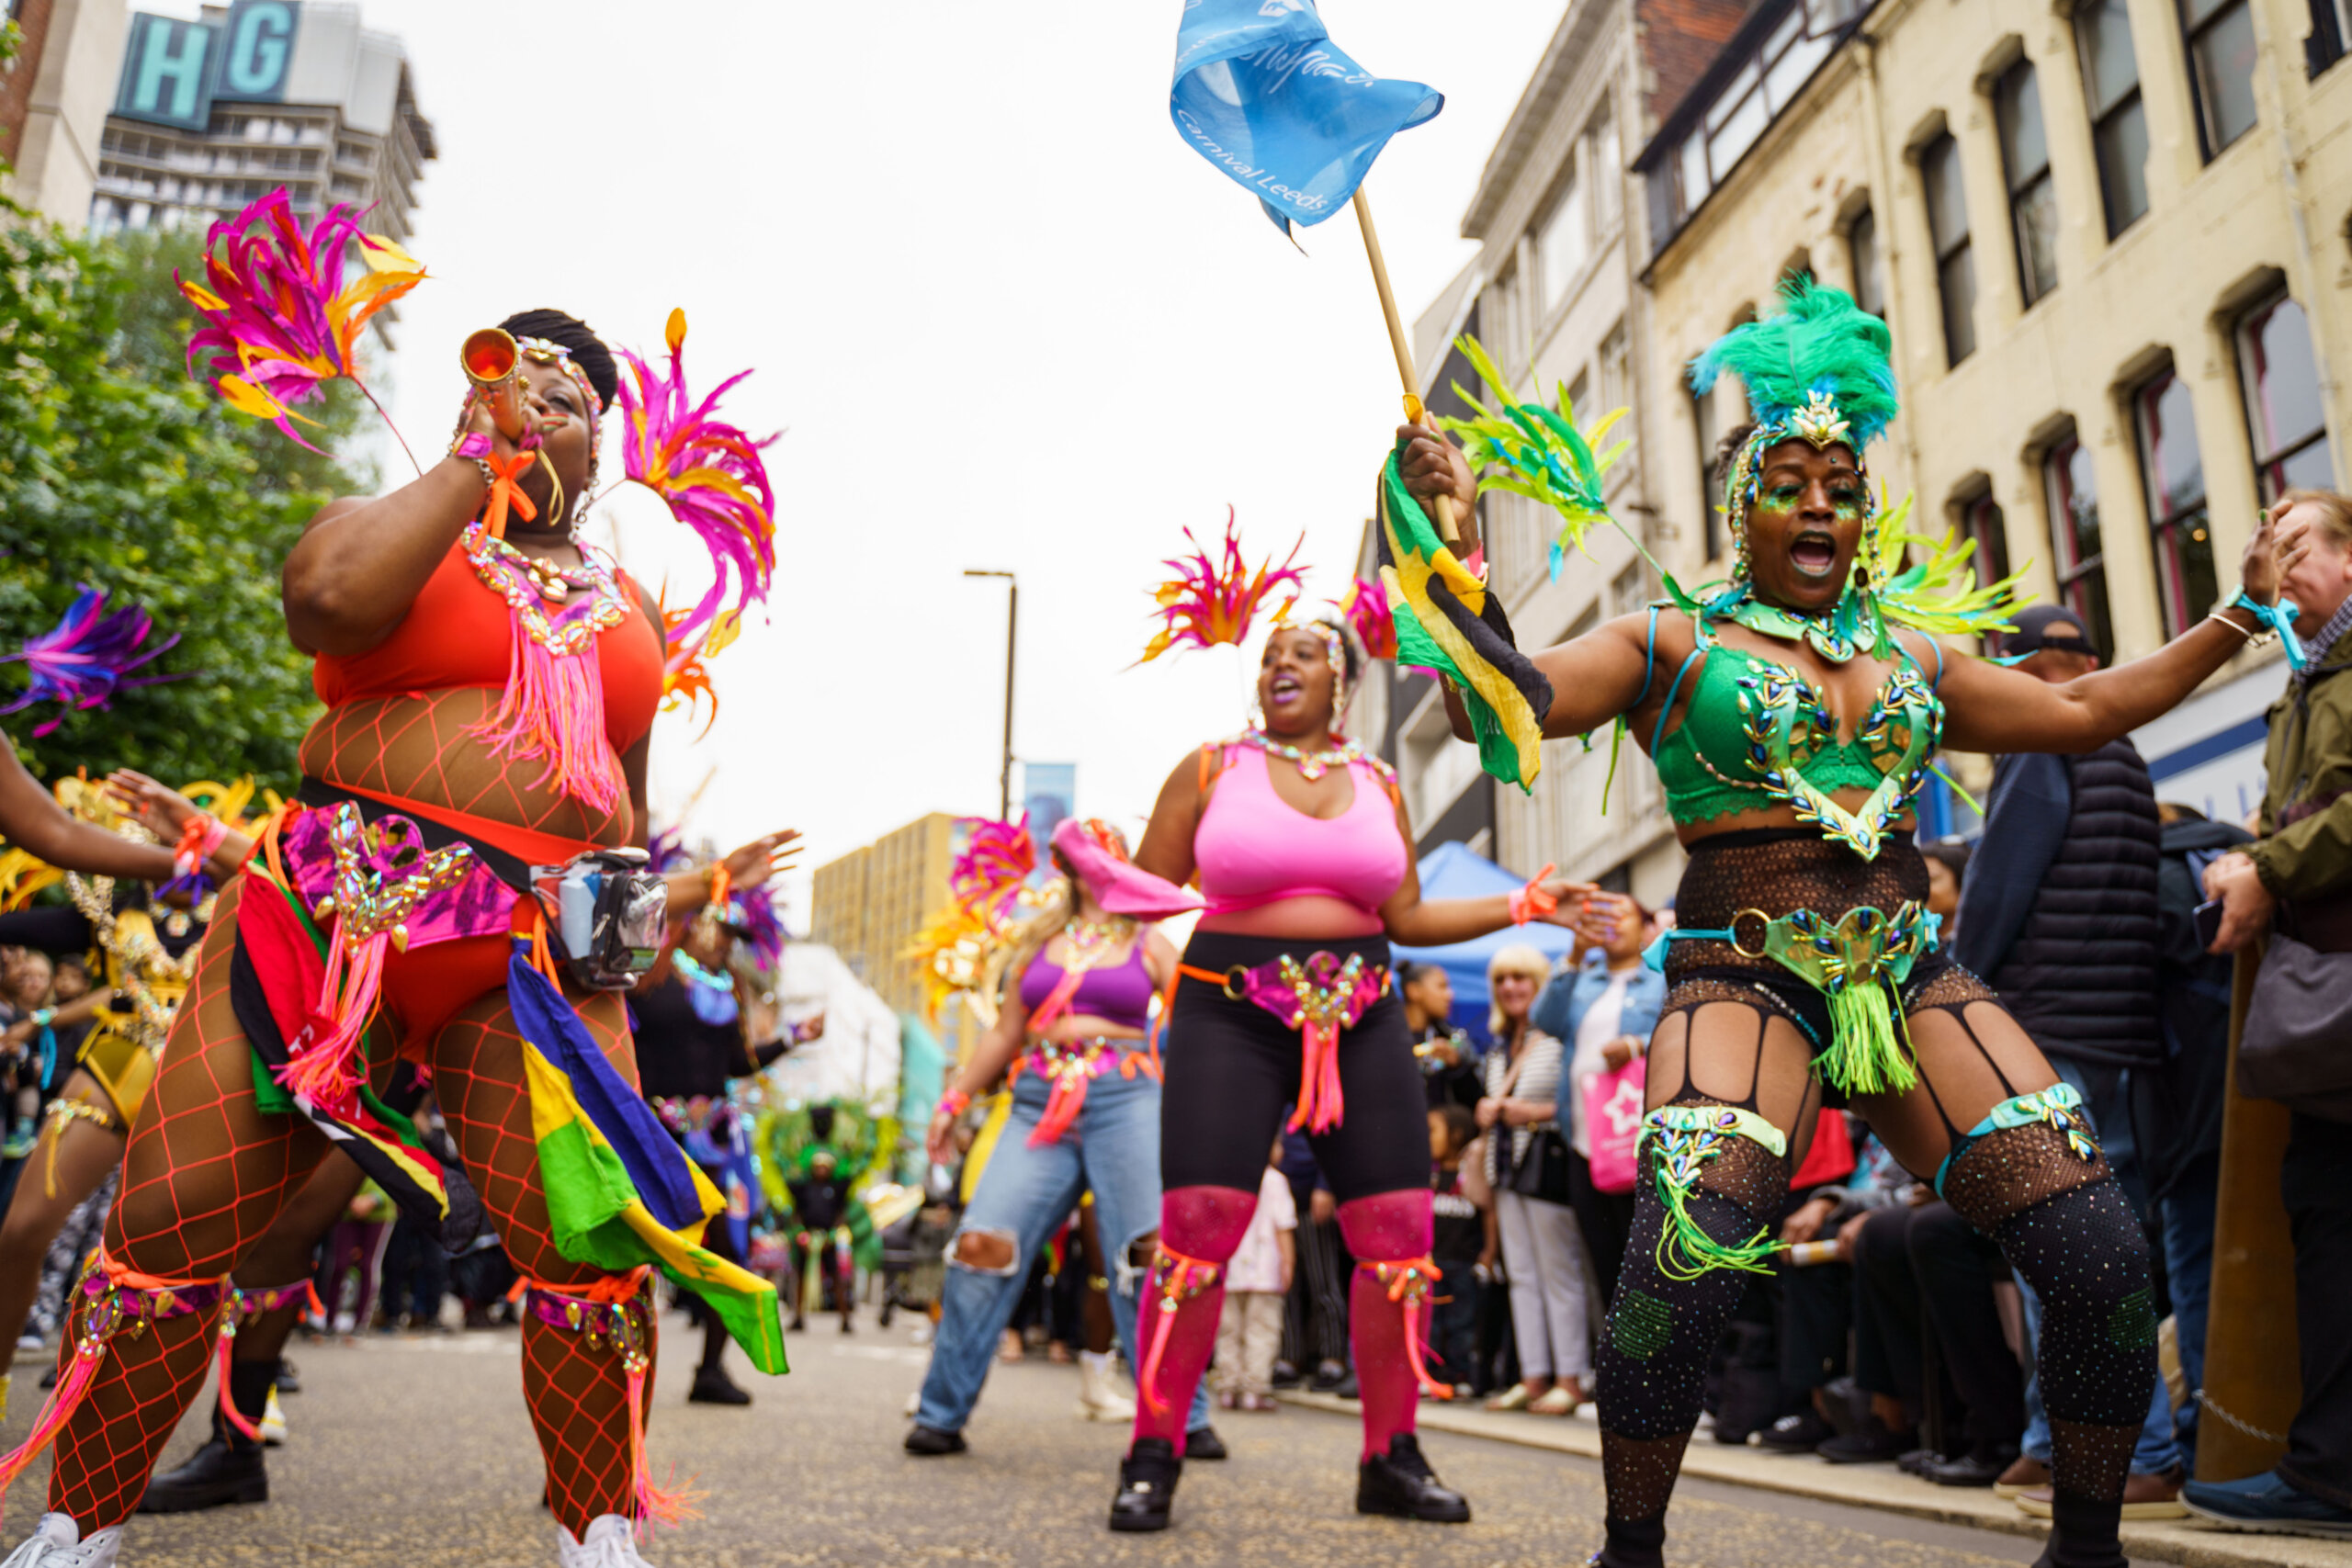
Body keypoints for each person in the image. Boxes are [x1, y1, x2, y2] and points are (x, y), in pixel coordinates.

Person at [1403, 280, 2285, 1568]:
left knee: (2095, 1249)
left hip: (1908, 972)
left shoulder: (1917, 661)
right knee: (1687, 1245)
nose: (1818, 498)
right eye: (1788, 476)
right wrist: (1454, 552)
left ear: (1864, 506)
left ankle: (2086, 1548)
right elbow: (1520, 701)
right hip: (1740, 978)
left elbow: (2088, 710)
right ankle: (1629, 1552)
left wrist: (2239, 615)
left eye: (1840, 479)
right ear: (1741, 499)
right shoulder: (1669, 642)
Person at [0, 310, 798, 1568]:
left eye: (570, 401)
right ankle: (71, 1527)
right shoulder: (406, 531)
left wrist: (648, 914)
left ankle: (597, 1532)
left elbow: (620, 806)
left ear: (605, 449)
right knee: (174, 1215)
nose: (540, 408)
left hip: (528, 957)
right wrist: (477, 462)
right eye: (508, 382)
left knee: (586, 1239)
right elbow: (322, 601)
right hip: (330, 913)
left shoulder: (635, 610)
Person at [1106, 615, 1587, 1532]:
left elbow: (1403, 915)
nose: (1279, 665)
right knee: (1198, 1231)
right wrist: (1113, 899)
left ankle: (1389, 1457)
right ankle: (1153, 1451)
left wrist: (1521, 903)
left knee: (1398, 1236)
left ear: (1345, 680)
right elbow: (1145, 891)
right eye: (1268, 655)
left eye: (1304, 653)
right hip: (1228, 1013)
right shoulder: (1211, 768)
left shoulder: (1378, 782)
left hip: (1361, 1015)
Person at [1951, 604, 2184, 1521]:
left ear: (2034, 667)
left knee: (2070, 1253)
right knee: (2090, 1245)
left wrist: (1959, 984)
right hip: (2118, 1033)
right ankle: (2053, 1442)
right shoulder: (2122, 751)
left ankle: (2144, 1450)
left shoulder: (2037, 740)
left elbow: (2000, 882)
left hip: (2050, 1031)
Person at [909, 818, 1217, 1456]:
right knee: (980, 1245)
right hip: (1035, 1102)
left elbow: (1194, 1025)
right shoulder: (1035, 945)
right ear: (1067, 865)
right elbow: (1003, 1032)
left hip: (1127, 1095)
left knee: (1145, 1256)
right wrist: (954, 1098)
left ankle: (1184, 1417)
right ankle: (940, 1412)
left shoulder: (1150, 940)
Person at [2185, 490, 2352, 1539]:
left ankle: (2329, 1472)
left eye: (2297, 546)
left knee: (2329, 1208)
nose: (2276, 562)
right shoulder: (2307, 676)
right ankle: (2327, 1466)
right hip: (2323, 977)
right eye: (2269, 546)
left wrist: (2264, 865)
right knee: (2322, 1209)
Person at [634, 906, 819, 1403]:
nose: (726, 943)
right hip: (648, 1131)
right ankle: (614, 1365)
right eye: (722, 929)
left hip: (713, 1140)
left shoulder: (728, 985)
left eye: (736, 936)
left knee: (729, 1252)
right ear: (694, 921)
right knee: (634, 1248)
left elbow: (738, 1061)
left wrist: (795, 1037)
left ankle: (710, 1369)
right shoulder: (650, 970)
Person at [2139, 799, 2245, 1463]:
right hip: (2279, 1082)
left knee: (2201, 1265)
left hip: (2190, 1111)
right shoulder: (2239, 857)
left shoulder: (2143, 881)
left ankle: (2216, 1433)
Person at [1534, 889, 1662, 1304]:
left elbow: (1684, 1033)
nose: (1611, 922)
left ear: (1645, 927)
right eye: (1602, 914)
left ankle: (1657, 1363)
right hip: (1584, 1143)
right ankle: (1619, 1363)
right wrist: (1572, 957)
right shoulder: (1583, 980)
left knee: (1647, 1261)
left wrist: (1637, 1045)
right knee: (1605, 1261)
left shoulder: (1661, 980)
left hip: (1641, 1141)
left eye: (1622, 913)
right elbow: (1545, 1020)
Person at [1477, 942, 1589, 1416]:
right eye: (1503, 979)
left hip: (1546, 1168)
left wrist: (1533, 1112)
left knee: (1558, 1274)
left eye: (1521, 978)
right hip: (1504, 1172)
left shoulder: (1558, 1035)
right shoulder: (1501, 1045)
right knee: (1520, 1276)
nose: (1511, 987)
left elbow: (1577, 1097)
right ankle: (1533, 1376)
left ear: (1539, 983)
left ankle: (1571, 1377)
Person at [1212, 1138, 1297, 1412]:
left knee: (1228, 1330)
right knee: (1261, 1330)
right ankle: (1254, 1389)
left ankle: (1228, 1387)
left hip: (1230, 1267)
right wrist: (1288, 1262)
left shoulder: (1227, 1177)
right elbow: (1283, 1226)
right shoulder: (1275, 1181)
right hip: (1265, 1269)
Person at [1427, 1104, 1482, 1393]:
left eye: (1433, 1131)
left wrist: (1488, 1253)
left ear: (1457, 1135)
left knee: (1462, 1322)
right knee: (1431, 1322)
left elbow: (1489, 1212)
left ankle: (1461, 1375)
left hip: (1463, 1261)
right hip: (1432, 1262)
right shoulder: (1428, 1174)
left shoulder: (1470, 1173)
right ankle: (1431, 1374)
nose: (1427, 1138)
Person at [1399, 961, 1480, 1110]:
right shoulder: (1388, 1041)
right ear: (1414, 990)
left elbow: (1475, 1103)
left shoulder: (1453, 1040)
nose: (1450, 995)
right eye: (1442, 986)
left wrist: (1457, 1067)